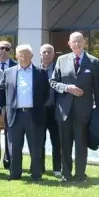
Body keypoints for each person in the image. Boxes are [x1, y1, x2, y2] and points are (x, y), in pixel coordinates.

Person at [50, 32, 99, 182]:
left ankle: (80, 175)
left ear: (84, 42)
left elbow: (97, 88)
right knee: (65, 145)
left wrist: (98, 110)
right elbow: (53, 82)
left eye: (79, 41)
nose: (77, 44)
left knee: (81, 144)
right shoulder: (61, 60)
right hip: (64, 111)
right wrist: (67, 88)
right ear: (69, 44)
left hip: (83, 111)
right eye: (74, 42)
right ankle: (66, 174)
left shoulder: (94, 62)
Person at [0, 45, 49, 181]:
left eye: (26, 55)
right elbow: (0, 92)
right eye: (20, 55)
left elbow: (47, 94)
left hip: (34, 115)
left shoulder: (40, 73)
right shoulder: (8, 72)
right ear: (17, 56)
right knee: (14, 148)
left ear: (31, 57)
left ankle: (36, 174)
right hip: (15, 115)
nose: (23, 58)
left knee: (35, 148)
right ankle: (15, 174)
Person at [0, 40, 17, 170]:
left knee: (9, 134)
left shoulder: (16, 66)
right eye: (1, 48)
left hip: (10, 106)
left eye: (7, 49)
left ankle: (8, 162)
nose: (3, 51)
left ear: (10, 51)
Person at [39, 44, 61, 176]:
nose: (46, 54)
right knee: (39, 141)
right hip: (40, 111)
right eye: (44, 52)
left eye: (49, 52)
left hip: (55, 110)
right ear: (40, 54)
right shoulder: (35, 70)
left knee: (56, 141)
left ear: (53, 55)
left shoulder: (59, 70)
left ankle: (57, 169)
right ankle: (39, 168)